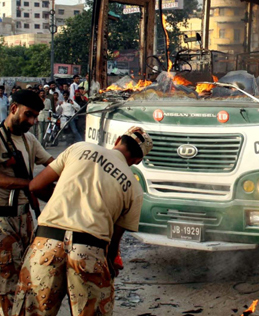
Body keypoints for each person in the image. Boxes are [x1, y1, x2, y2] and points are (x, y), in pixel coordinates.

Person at [11, 126, 153, 316]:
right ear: (138, 160)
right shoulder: (134, 188)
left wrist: (65, 196)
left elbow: (35, 186)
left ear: (118, 140)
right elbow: (114, 241)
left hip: (47, 243)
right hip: (89, 250)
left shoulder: (79, 148)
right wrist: (110, 264)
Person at [0, 90, 54, 316]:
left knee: (29, 285)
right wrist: (29, 184)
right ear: (13, 108)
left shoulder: (28, 139)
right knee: (8, 289)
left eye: (35, 117)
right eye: (28, 115)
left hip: (25, 220)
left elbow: (52, 164)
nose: (32, 122)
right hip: (1, 223)